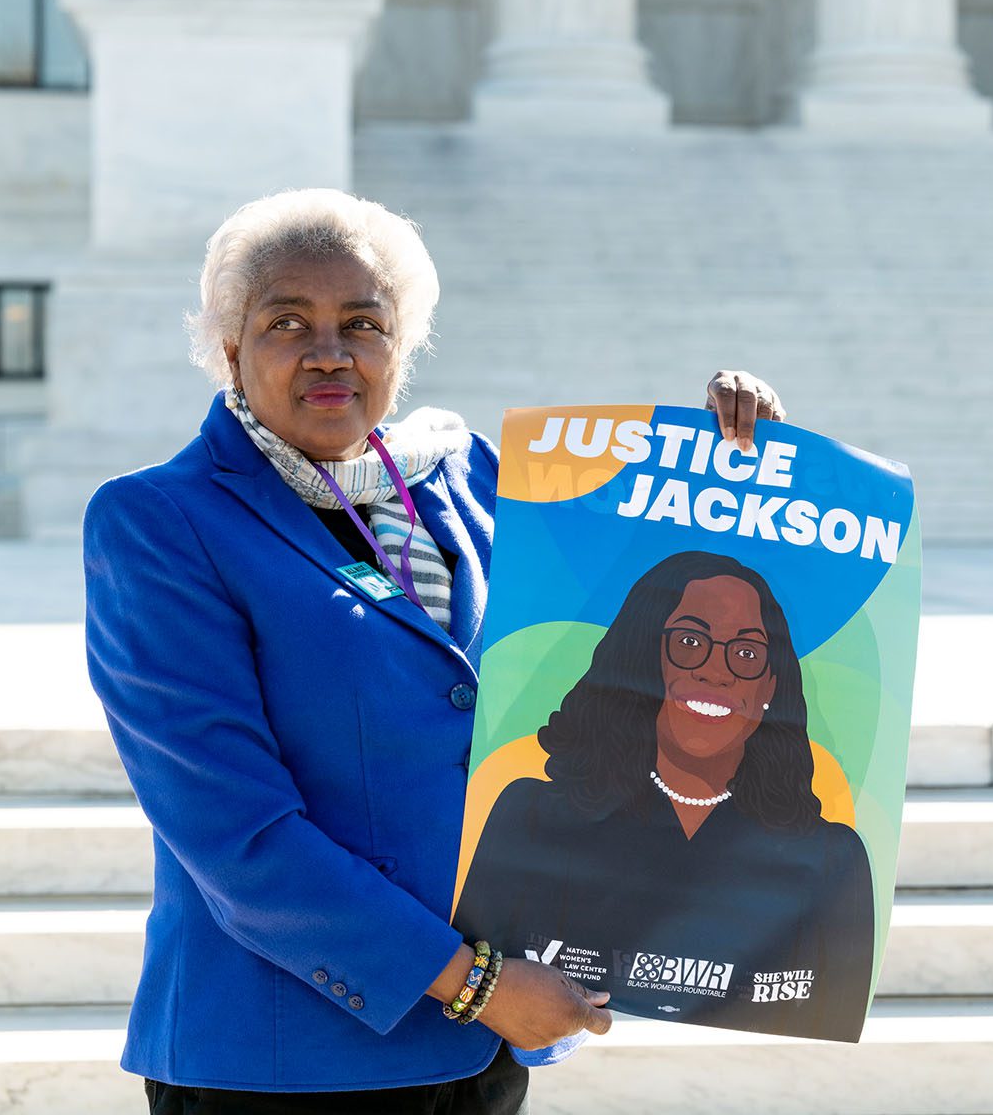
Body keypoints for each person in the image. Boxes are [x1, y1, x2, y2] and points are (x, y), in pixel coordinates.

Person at [82, 188, 788, 1113]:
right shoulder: (161, 522)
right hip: (282, 1058)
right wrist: (474, 983)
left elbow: (634, 624)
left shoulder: (471, 478)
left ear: (401, 346)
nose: (329, 350)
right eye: (286, 320)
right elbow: (234, 832)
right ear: (230, 348)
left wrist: (738, 466)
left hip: (484, 1051)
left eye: (362, 323)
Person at [453, 551, 877, 1044]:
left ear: (770, 688)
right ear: (641, 660)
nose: (716, 672)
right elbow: (481, 973)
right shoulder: (528, 817)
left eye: (746, 653)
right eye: (690, 642)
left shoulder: (832, 860)